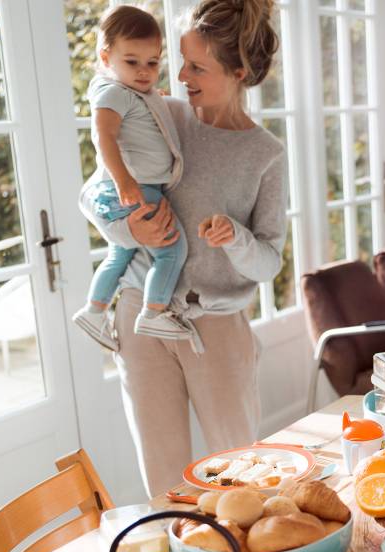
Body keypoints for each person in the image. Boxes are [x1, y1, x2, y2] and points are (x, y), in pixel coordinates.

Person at [79, 0, 285, 496]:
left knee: (241, 480)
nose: (180, 75)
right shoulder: (160, 113)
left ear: (238, 71)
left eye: (197, 66)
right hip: (139, 315)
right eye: (182, 60)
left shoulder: (265, 154)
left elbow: (269, 260)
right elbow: (92, 194)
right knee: (164, 483)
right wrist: (133, 233)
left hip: (215, 326)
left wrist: (235, 237)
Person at [74, 4, 192, 347]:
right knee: (172, 250)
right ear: (106, 57)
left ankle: (94, 312)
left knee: (119, 253)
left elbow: (144, 117)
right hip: (136, 187)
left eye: (152, 63)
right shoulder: (112, 92)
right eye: (132, 62)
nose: (144, 71)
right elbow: (103, 136)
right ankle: (154, 313)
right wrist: (124, 180)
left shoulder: (134, 92)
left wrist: (157, 102)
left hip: (136, 186)